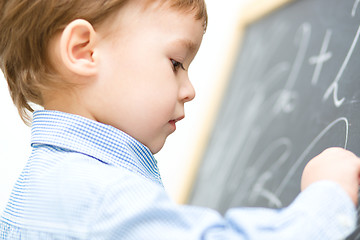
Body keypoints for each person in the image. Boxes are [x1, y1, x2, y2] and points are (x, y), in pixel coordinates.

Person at [0, 0, 359, 239]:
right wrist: (328, 198)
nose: (189, 89)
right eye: (175, 63)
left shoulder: (41, 186)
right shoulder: (102, 201)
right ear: (84, 51)